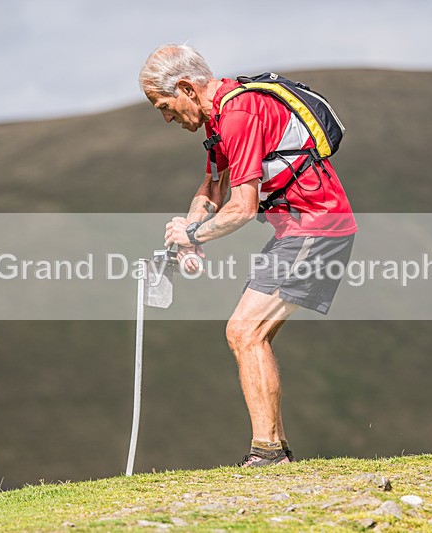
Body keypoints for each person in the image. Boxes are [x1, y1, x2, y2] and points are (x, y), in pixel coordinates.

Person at [139, 44, 357, 467]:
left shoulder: (239, 115)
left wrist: (193, 234)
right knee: (250, 334)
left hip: (318, 226)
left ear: (185, 87)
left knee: (244, 331)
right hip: (300, 229)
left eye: (164, 106)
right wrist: (192, 234)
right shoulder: (219, 117)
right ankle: (274, 451)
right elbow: (212, 188)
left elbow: (241, 207)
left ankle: (268, 455)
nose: (166, 118)